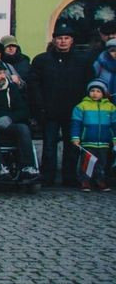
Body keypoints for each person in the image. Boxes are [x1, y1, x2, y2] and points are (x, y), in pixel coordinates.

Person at [29, 21, 91, 187]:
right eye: (60, 38)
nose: (63, 41)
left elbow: (88, 83)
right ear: (54, 40)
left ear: (72, 40)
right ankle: (48, 176)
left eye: (66, 38)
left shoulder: (82, 60)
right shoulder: (42, 60)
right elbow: (34, 85)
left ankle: (69, 177)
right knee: (49, 145)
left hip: (74, 110)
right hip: (50, 110)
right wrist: (40, 106)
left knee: (72, 145)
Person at [71, 79, 116, 191]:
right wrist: (75, 137)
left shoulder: (111, 107)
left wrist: (114, 138)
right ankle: (85, 181)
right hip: (88, 140)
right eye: (92, 91)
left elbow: (114, 124)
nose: (95, 93)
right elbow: (76, 123)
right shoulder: (82, 106)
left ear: (103, 93)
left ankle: (100, 180)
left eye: (98, 91)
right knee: (87, 162)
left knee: (102, 162)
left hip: (104, 142)